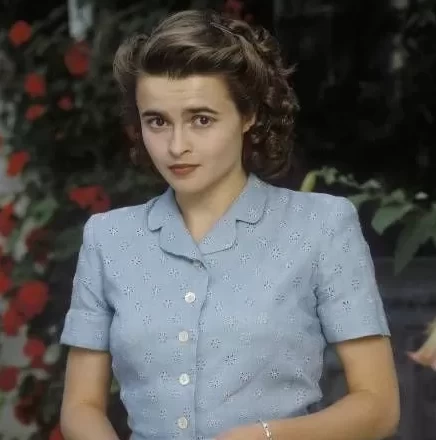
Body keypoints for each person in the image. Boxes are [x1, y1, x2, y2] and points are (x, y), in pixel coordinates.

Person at [59, 9, 400, 440]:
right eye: (157, 121)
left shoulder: (322, 226)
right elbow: (80, 407)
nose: (176, 146)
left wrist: (264, 437)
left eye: (201, 119)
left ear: (248, 114)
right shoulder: (108, 238)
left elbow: (378, 406)